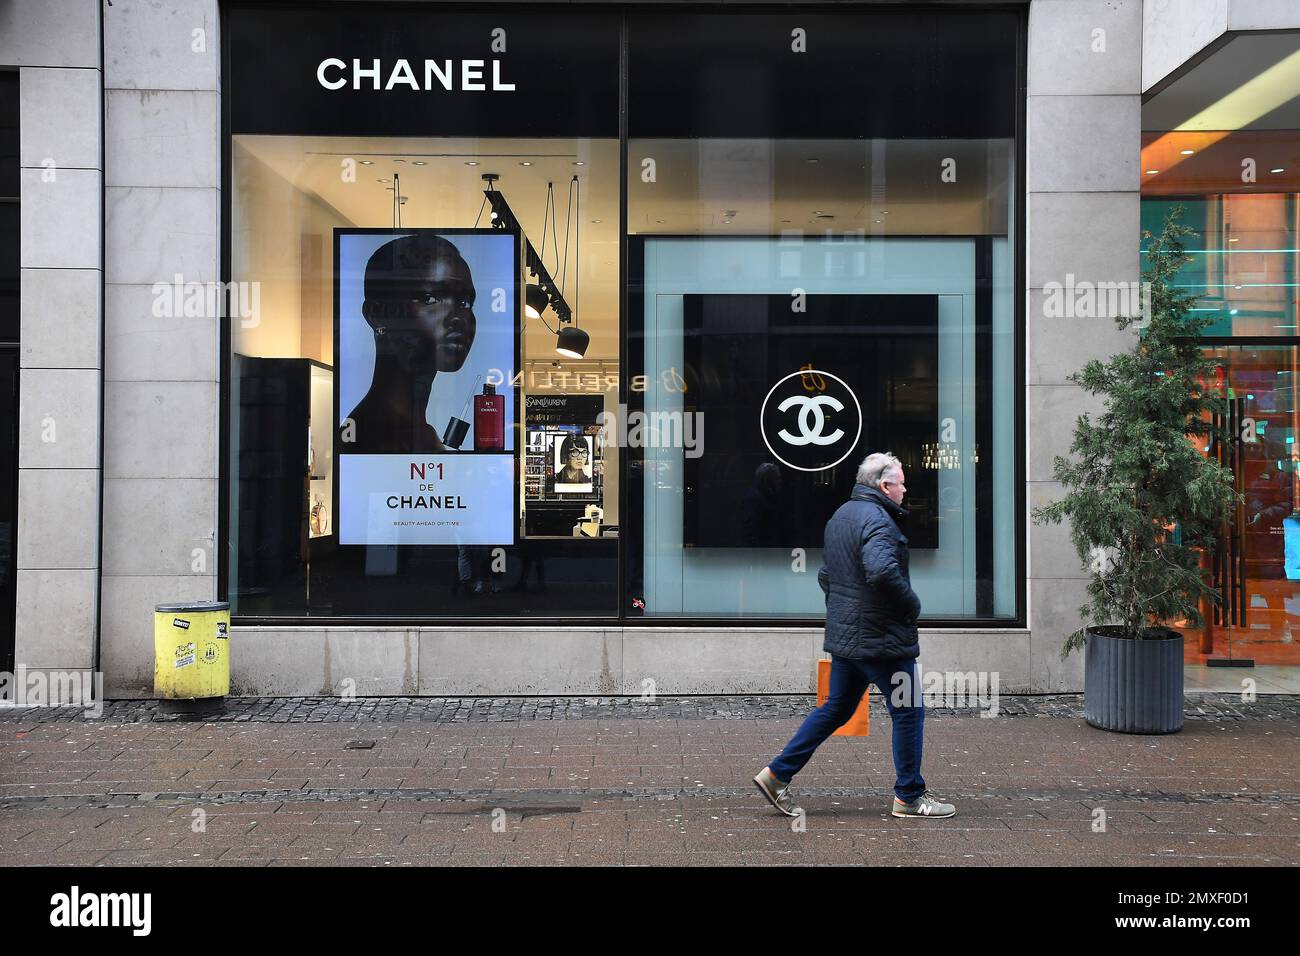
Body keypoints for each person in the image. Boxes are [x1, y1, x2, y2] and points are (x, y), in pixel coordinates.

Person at [753, 452, 956, 819]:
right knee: (909, 712)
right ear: (884, 485)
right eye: (901, 482)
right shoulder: (880, 522)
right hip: (881, 639)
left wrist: (847, 611)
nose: (906, 489)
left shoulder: (842, 516)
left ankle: (777, 774)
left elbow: (826, 577)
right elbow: (880, 572)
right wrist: (910, 605)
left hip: (848, 637)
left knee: (836, 708)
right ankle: (910, 797)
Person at [341, 233, 477, 453]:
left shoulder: (421, 434)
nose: (458, 317)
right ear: (377, 313)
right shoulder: (374, 437)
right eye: (430, 299)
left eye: (465, 302)